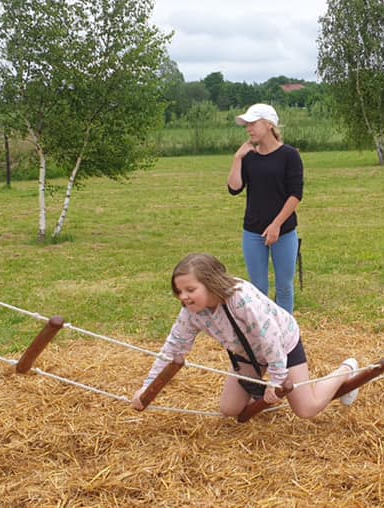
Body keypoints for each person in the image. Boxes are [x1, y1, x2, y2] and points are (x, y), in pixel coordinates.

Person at [131, 253, 359, 418]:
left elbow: (270, 338)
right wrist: (147, 387)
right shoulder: (191, 313)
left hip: (282, 345)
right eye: (179, 291)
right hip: (248, 354)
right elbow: (173, 349)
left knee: (306, 409)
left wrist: (277, 382)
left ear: (210, 284)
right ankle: (266, 394)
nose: (184, 297)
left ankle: (347, 370)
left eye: (191, 290)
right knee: (230, 410)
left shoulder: (240, 298)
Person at [228, 103, 303, 314]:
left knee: (284, 287)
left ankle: (285, 334)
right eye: (247, 125)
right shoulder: (248, 157)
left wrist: (276, 225)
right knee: (258, 288)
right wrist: (237, 158)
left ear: (269, 125)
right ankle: (263, 335)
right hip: (252, 231)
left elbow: (295, 194)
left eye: (253, 123)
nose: (248, 129)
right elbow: (234, 188)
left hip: (284, 231)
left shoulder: (289, 155)